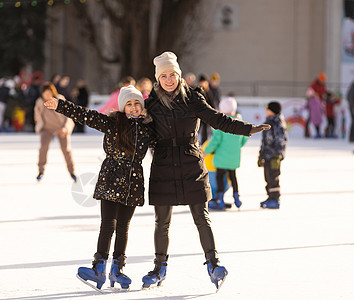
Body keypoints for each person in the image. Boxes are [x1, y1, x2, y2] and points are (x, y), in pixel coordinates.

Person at [141, 51, 270, 291]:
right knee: (162, 222)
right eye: (164, 76)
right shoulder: (151, 105)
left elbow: (218, 119)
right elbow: (138, 132)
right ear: (158, 79)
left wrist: (247, 129)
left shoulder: (192, 99)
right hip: (163, 165)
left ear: (179, 75)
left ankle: (214, 264)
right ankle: (159, 267)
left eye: (173, 75)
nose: (169, 79)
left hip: (191, 163)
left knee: (202, 217)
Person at [44, 85, 156, 290]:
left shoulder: (148, 129)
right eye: (129, 104)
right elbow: (85, 115)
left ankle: (118, 269)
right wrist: (61, 105)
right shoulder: (112, 122)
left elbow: (162, 149)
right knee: (108, 224)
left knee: (123, 227)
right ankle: (99, 267)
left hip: (133, 181)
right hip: (111, 178)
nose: (133, 108)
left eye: (136, 104)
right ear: (122, 107)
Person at [203, 97, 248, 210]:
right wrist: (236, 147)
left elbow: (215, 141)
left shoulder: (221, 124)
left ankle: (220, 198)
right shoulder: (240, 123)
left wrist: (206, 151)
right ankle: (236, 197)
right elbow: (244, 139)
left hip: (221, 158)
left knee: (220, 176)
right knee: (233, 177)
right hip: (234, 157)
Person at [34, 82, 76, 182]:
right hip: (46, 128)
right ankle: (40, 171)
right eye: (45, 94)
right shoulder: (40, 102)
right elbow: (37, 115)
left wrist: (64, 129)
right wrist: (38, 122)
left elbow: (67, 115)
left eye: (49, 93)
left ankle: (72, 172)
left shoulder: (59, 99)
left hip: (60, 128)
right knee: (43, 147)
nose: (47, 96)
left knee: (66, 150)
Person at [258, 101, 287, 209]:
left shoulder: (277, 123)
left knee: (273, 177)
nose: (266, 111)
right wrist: (261, 154)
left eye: (267, 109)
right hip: (267, 154)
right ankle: (270, 197)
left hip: (274, 156)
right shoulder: (268, 122)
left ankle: (275, 198)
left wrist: (278, 155)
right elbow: (264, 141)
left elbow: (280, 140)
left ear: (272, 111)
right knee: (268, 177)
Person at [195, 74, 216, 144]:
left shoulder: (208, 91)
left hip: (206, 113)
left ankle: (204, 142)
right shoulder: (198, 90)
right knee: (197, 128)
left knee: (205, 129)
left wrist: (213, 110)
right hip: (198, 112)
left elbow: (211, 102)